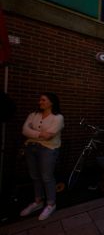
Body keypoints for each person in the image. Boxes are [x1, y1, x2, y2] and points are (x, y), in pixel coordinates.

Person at [19, 92, 64, 220]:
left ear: (51, 102)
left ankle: (51, 204)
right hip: (30, 148)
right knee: (34, 176)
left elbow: (49, 135)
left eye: (43, 100)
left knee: (47, 177)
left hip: (48, 149)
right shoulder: (33, 115)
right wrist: (40, 134)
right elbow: (24, 130)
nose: (40, 102)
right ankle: (38, 202)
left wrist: (32, 133)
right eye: (40, 100)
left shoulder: (58, 117)